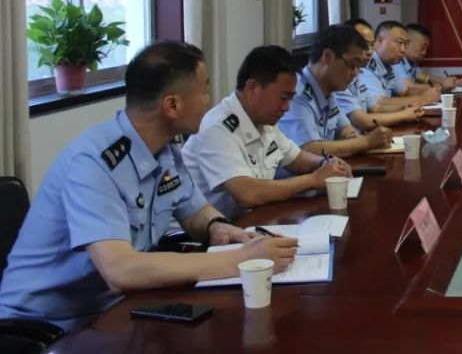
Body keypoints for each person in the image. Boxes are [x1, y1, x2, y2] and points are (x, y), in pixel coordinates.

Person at [0, 42, 297, 331]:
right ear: (172, 105)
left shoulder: (166, 152)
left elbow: (195, 212)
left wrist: (217, 226)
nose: (208, 101)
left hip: (113, 311)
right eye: (204, 91)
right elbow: (120, 270)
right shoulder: (93, 164)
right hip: (45, 328)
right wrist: (241, 259)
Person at [183, 45, 353, 219]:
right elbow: (247, 194)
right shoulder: (217, 127)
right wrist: (313, 180)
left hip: (252, 221)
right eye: (283, 98)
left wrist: (326, 163)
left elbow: (295, 159)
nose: (286, 107)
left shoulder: (263, 120)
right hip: (213, 231)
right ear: (252, 88)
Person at [277, 25, 395, 157]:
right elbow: (309, 150)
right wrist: (367, 141)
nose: (355, 73)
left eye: (358, 67)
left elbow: (346, 131)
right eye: (352, 65)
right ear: (327, 56)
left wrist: (356, 140)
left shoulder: (328, 91)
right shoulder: (296, 94)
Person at [333, 19, 424, 132]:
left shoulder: (358, 72)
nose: (369, 51)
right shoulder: (339, 79)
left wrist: (404, 108)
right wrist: (404, 115)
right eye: (362, 44)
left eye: (371, 45)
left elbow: (374, 108)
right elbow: (363, 121)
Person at [360, 21, 441, 111]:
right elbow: (377, 104)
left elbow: (404, 91)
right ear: (380, 40)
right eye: (399, 42)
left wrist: (430, 92)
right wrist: (423, 99)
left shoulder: (389, 64)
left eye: (405, 44)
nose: (403, 50)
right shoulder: (366, 64)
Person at [393, 23, 462, 91]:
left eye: (426, 49)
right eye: (422, 48)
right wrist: (441, 87)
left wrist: (456, 82)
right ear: (407, 44)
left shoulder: (411, 65)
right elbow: (409, 89)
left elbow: (425, 78)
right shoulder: (396, 62)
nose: (424, 53)